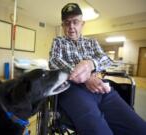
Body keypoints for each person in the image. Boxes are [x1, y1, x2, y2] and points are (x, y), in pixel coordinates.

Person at [49, 3, 146, 135]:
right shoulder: (58, 42)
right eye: (67, 23)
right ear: (62, 26)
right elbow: (54, 62)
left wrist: (90, 64)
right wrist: (86, 77)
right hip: (72, 89)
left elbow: (106, 59)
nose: (71, 26)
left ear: (82, 24)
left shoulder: (92, 42)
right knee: (99, 131)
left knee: (139, 128)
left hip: (100, 89)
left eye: (75, 22)